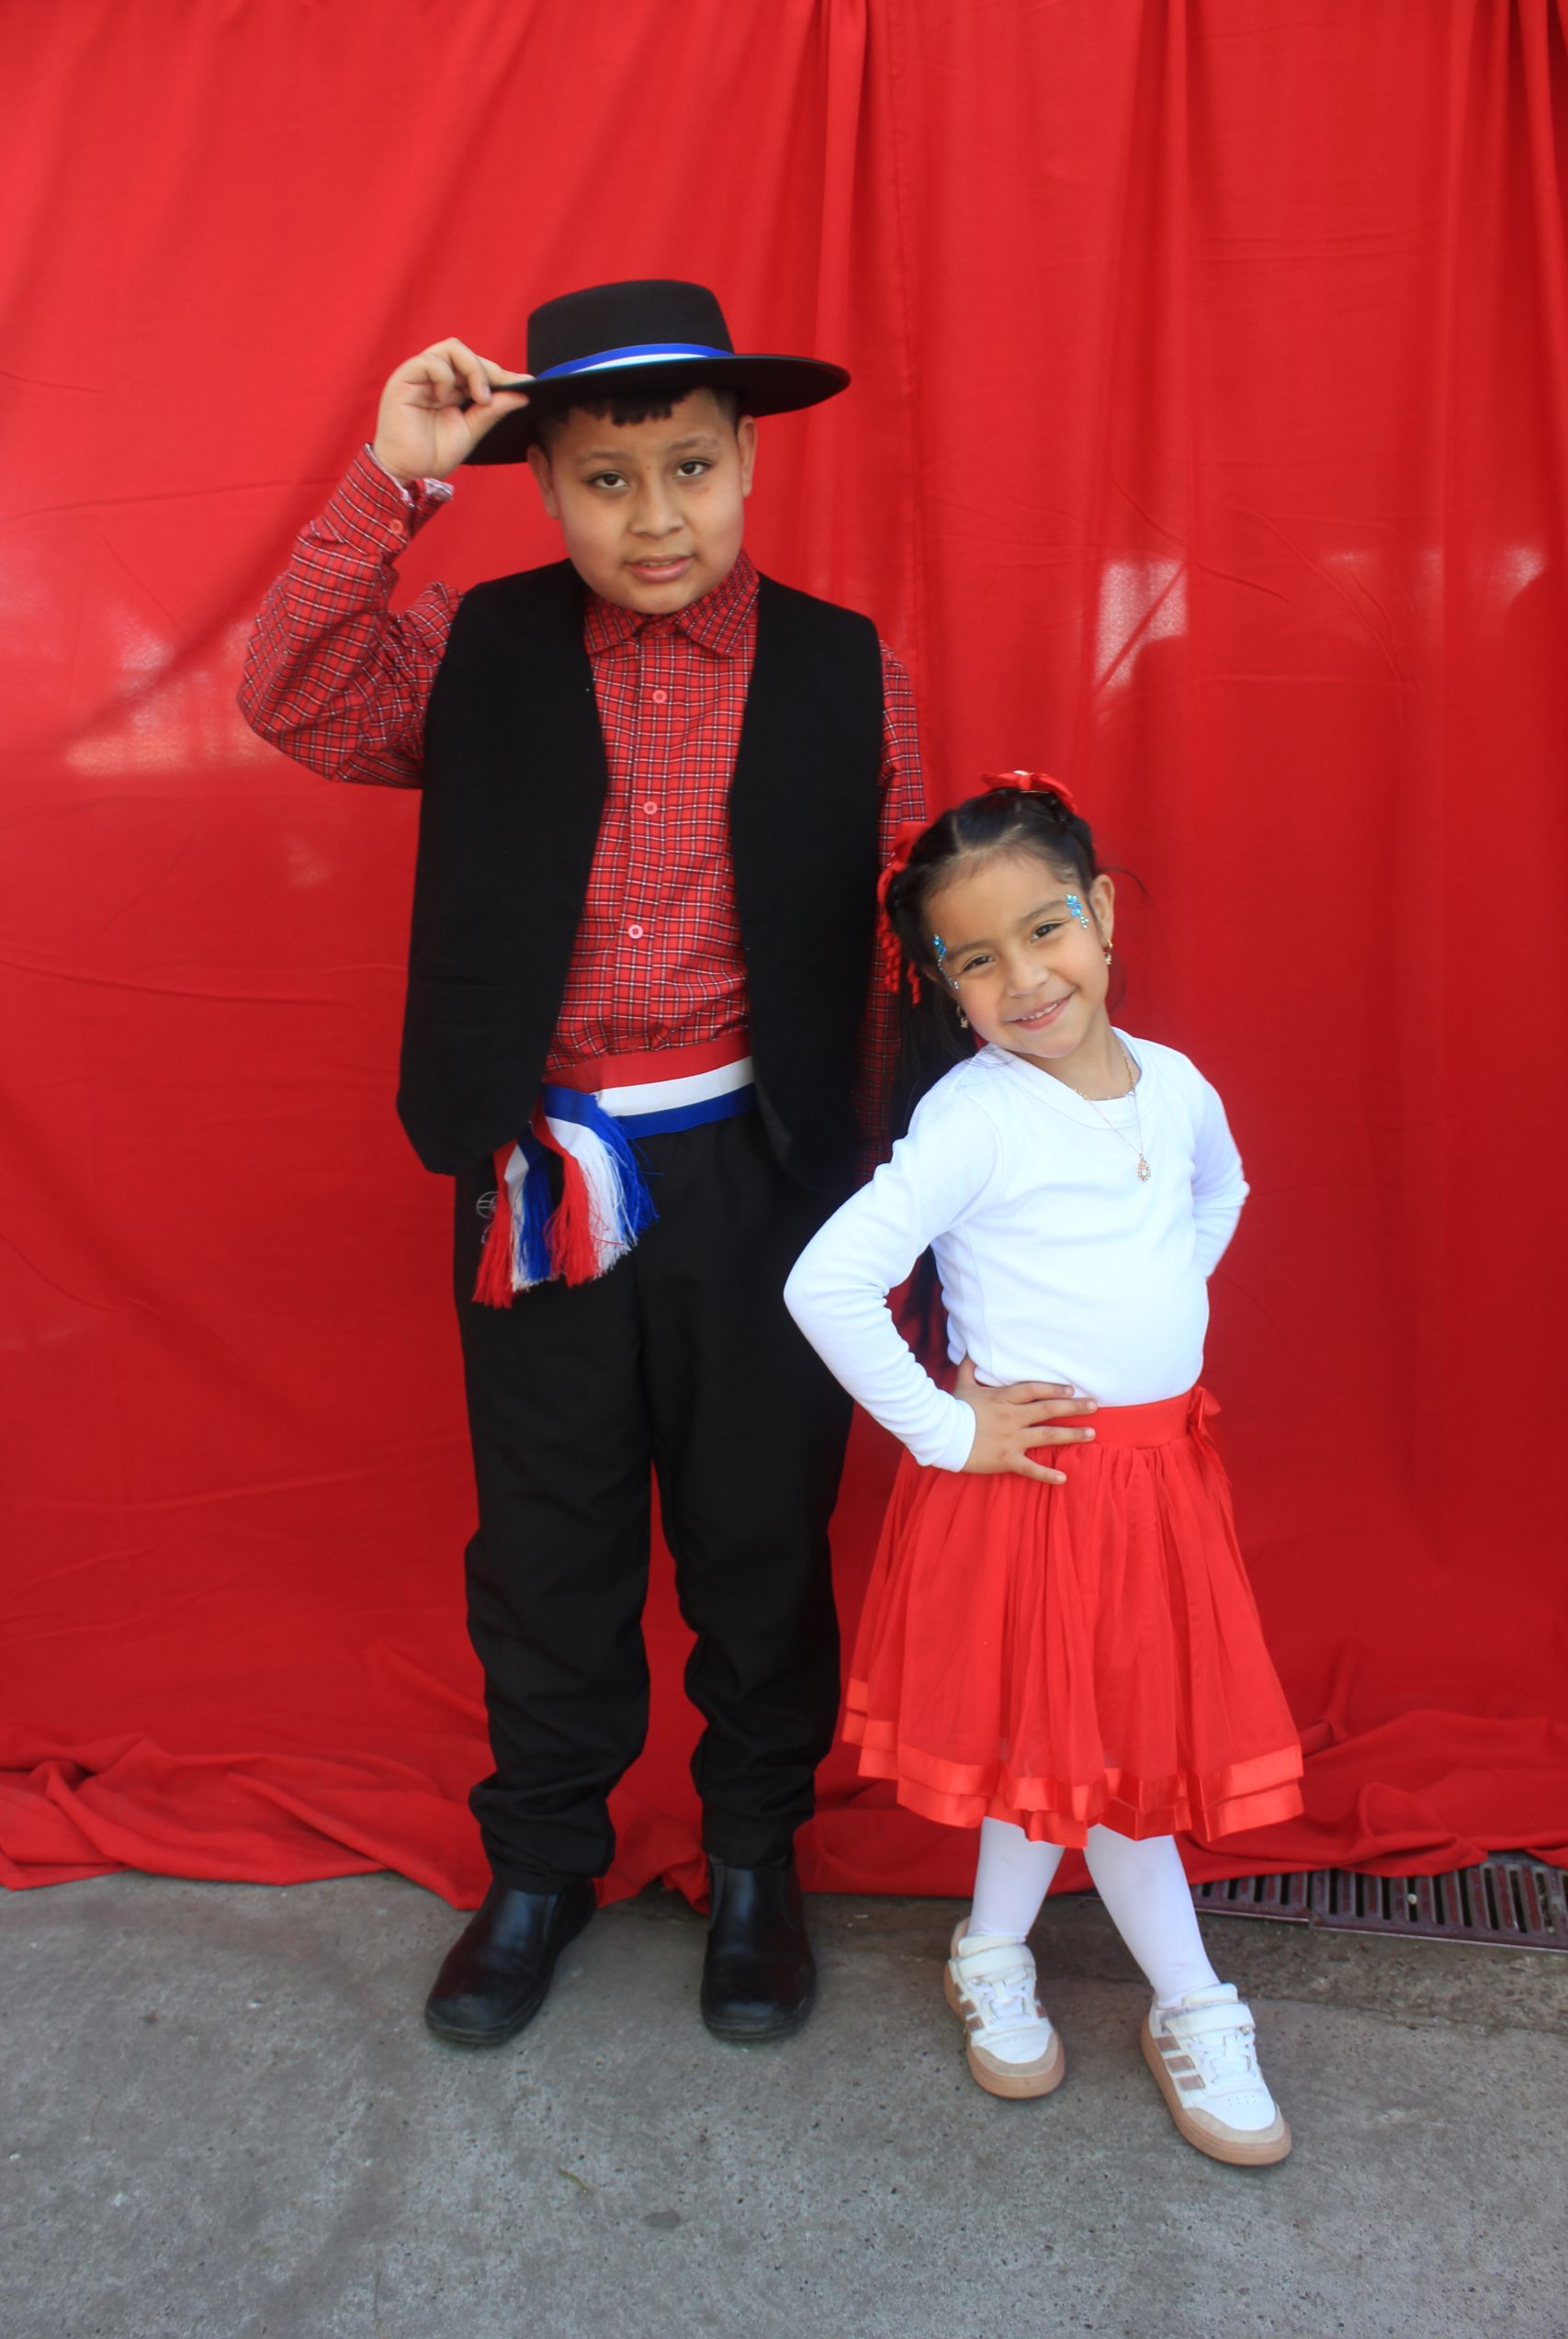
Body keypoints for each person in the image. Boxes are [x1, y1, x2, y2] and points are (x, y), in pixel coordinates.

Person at [241, 278, 995, 2051]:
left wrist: (951, 1210)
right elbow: (290, 693)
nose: (655, 519)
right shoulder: (473, 648)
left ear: (748, 464)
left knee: (759, 1533)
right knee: (548, 1541)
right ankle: (541, 1865)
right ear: (545, 485)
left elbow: (908, 947)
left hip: (769, 1180)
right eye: (604, 480)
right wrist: (395, 477)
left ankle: (754, 1860)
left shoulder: (849, 667)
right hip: (542, 1180)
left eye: (690, 470)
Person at [783, 768, 1303, 2164]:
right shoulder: (977, 1116)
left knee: (1057, 1745)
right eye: (976, 958)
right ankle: (1194, 2001)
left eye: (1046, 929)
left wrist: (1159, 1314)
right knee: (1113, 1767)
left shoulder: (1176, 1087)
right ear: (943, 984)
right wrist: (951, 1429)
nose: (1023, 978)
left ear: (1104, 914)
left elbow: (1221, 1192)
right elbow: (826, 1285)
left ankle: (989, 1947)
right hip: (1039, 1494)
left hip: (1154, 1485)